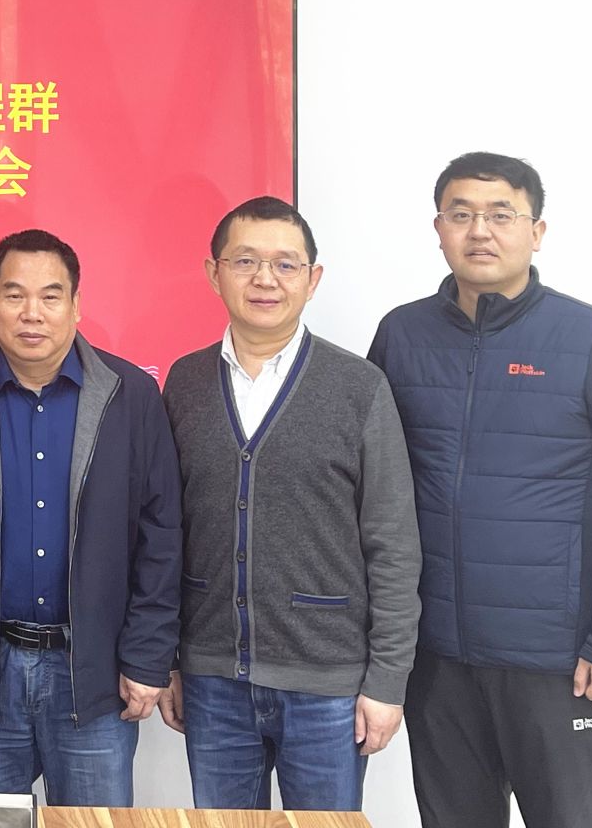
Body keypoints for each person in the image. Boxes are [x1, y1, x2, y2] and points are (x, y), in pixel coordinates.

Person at [370, 153, 592, 828]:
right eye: (461, 214)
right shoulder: (402, 336)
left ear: (536, 231)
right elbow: (372, 487)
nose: (480, 230)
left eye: (501, 214)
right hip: (438, 660)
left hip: (558, 662)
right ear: (438, 228)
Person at [0, 229, 181, 805]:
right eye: (14, 295)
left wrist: (148, 655)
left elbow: (161, 537)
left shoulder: (131, 396)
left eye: (51, 296)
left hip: (94, 674)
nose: (32, 313)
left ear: (76, 305)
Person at [159, 196, 420, 811]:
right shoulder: (185, 382)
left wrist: (388, 679)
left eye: (284, 264)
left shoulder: (358, 386)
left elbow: (393, 543)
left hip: (328, 686)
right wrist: (166, 657)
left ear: (312, 279)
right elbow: (165, 533)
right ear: (214, 273)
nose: (265, 279)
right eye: (245, 261)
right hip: (212, 680)